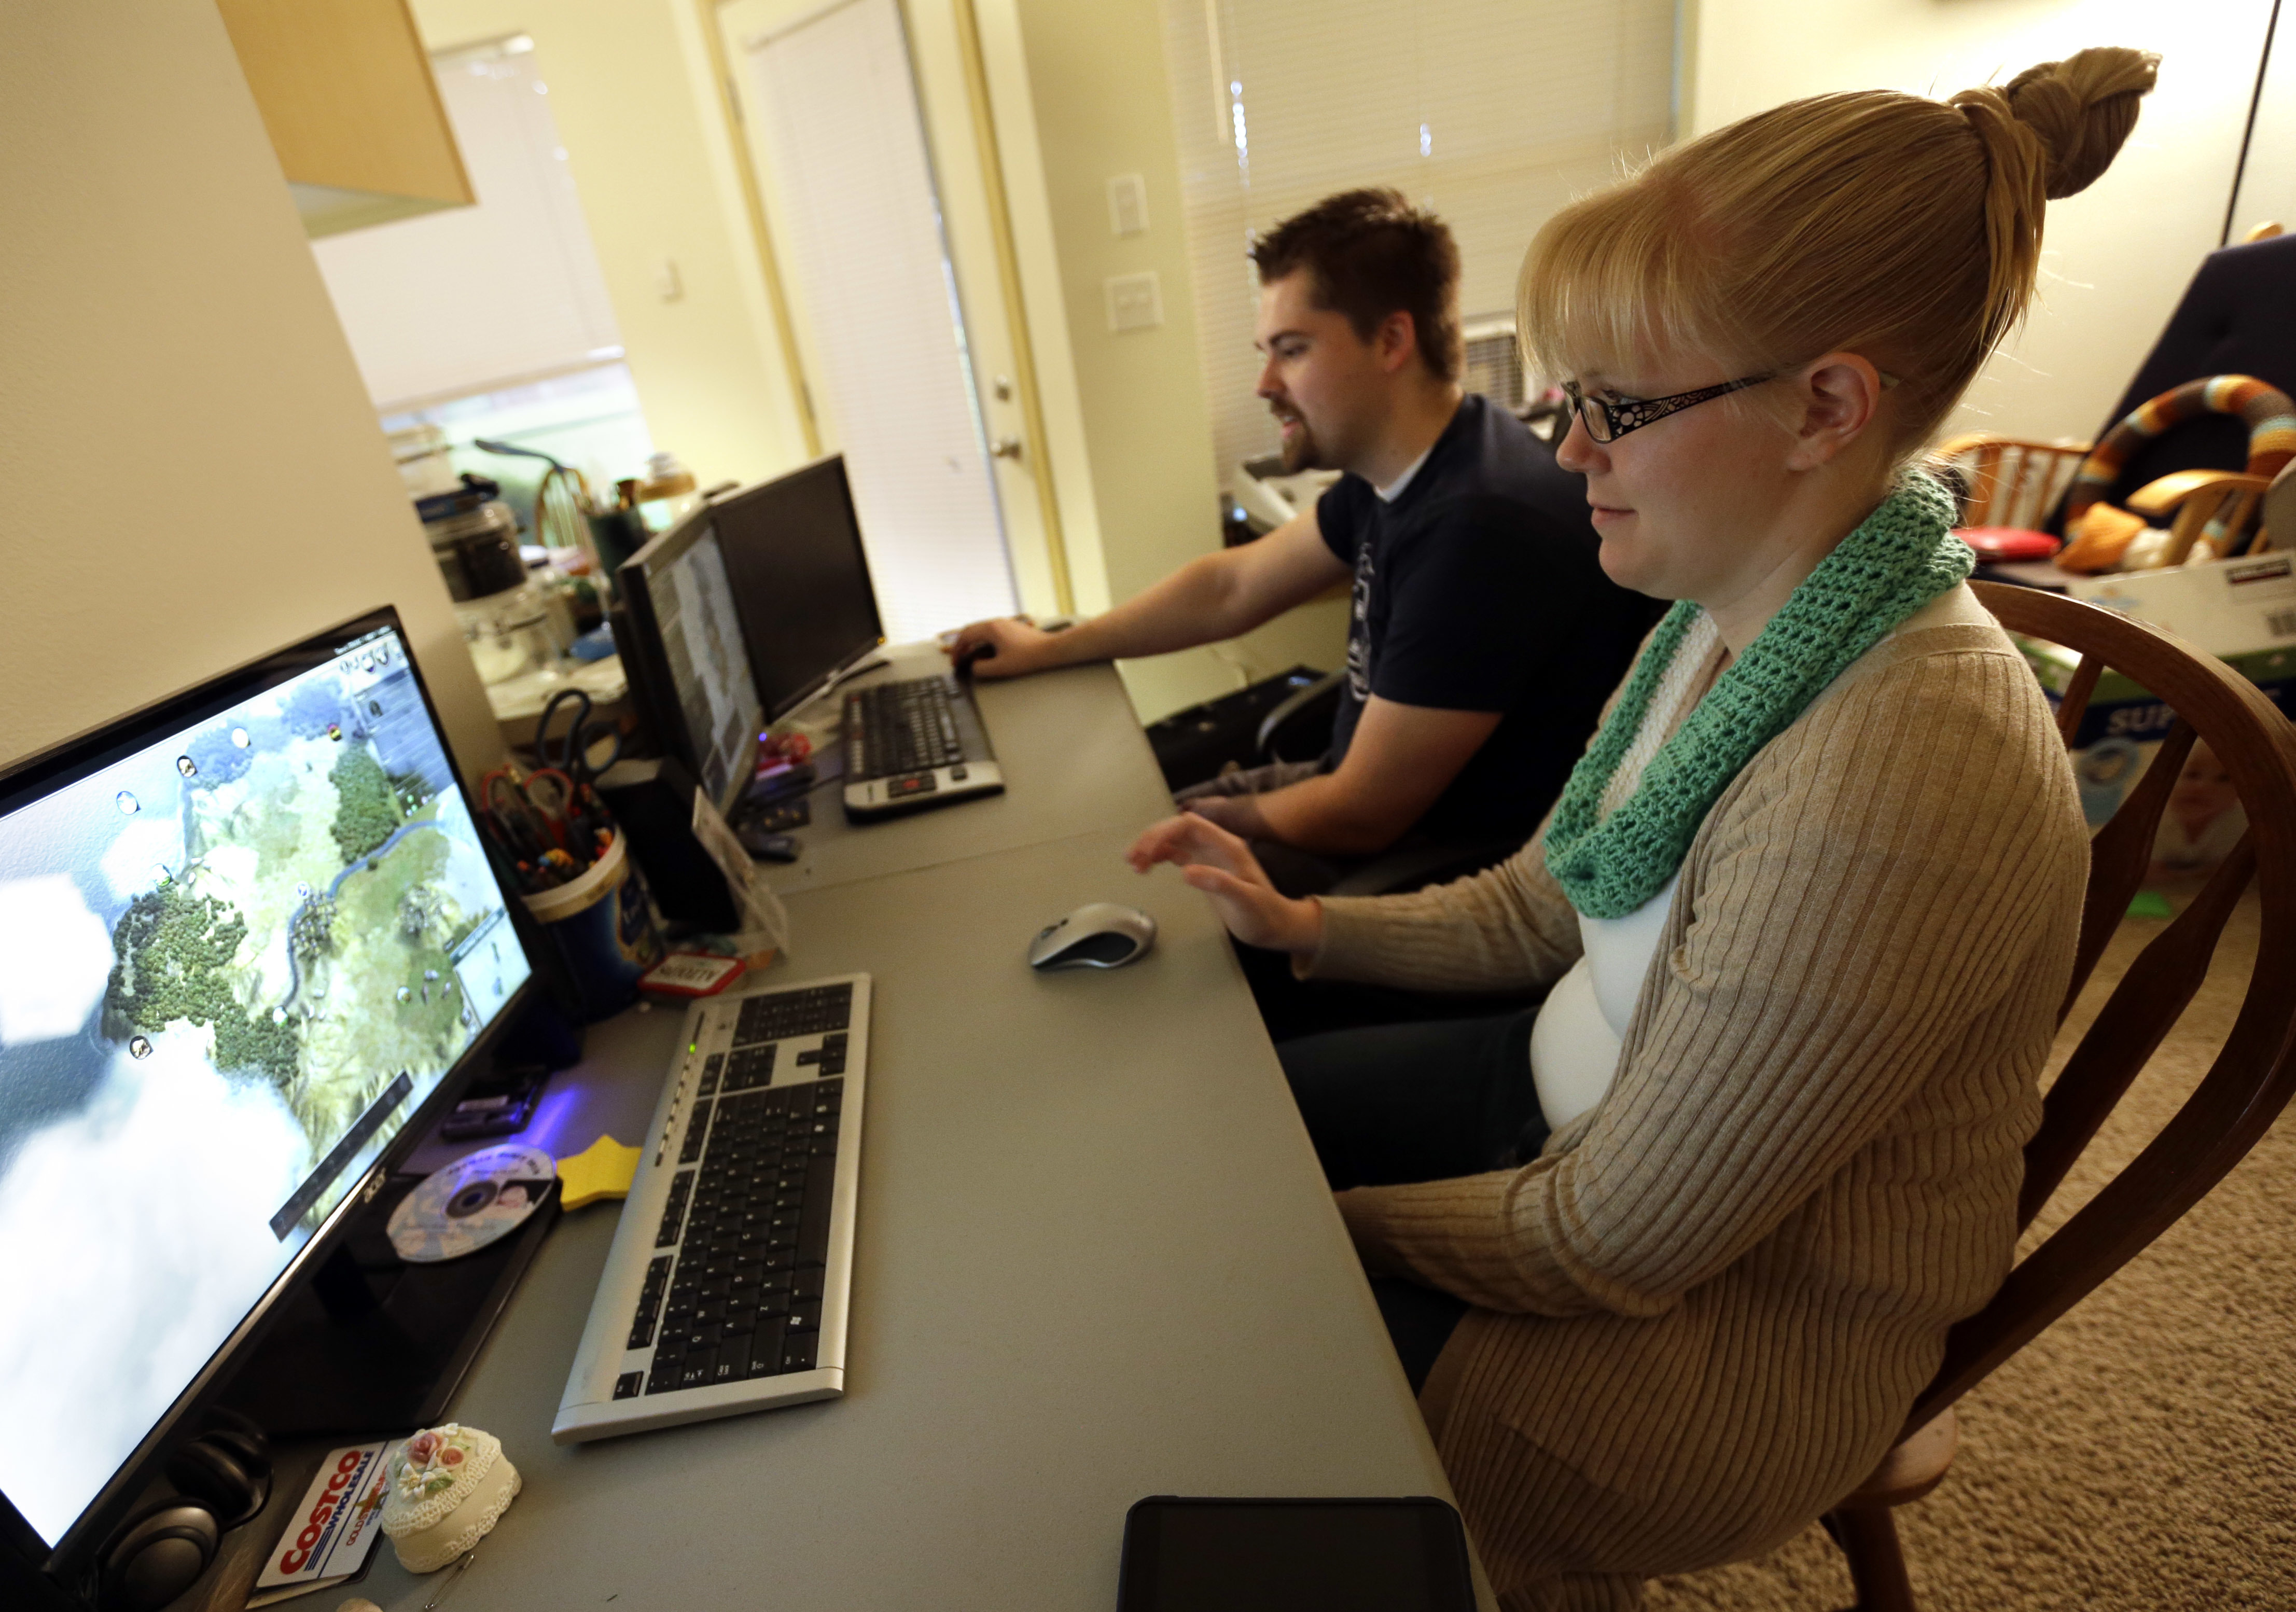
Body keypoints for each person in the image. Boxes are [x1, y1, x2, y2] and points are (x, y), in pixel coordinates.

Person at [1128, 48, 2155, 1610]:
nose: (1566, 452)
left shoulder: (1900, 766)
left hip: (1724, 1349)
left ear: (1826, 405)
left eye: (1612, 405)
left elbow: (1615, 1242)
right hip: (1577, 1105)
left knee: (1209, 1324)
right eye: (1560, 400)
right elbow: (1550, 903)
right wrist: (1312, 927)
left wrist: (1293, 1239)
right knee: (1196, 1132)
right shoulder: (1728, 604)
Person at [950, 188, 1660, 897]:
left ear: (1391, 341)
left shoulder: (1479, 531)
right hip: (1347, 803)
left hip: (1415, 871)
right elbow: (1231, 588)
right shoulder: (1421, 458)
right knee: (1086, 829)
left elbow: (1361, 816)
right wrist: (1050, 647)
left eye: (1291, 351)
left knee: (1110, 881)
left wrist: (1218, 817)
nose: (1265, 384)